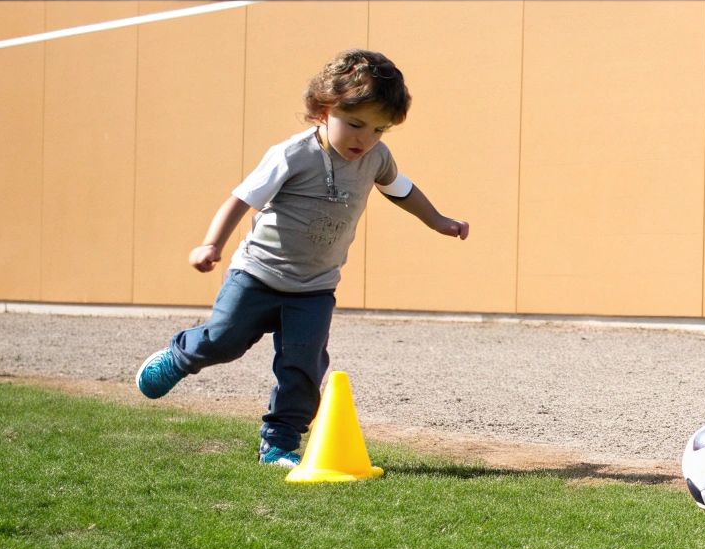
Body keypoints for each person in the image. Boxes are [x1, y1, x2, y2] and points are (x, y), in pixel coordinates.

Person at [135, 49, 470, 468]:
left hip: (314, 288)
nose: (363, 139)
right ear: (323, 110)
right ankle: (182, 355)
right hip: (256, 276)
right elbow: (241, 200)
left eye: (378, 129)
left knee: (303, 369)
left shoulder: (376, 158)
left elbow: (401, 189)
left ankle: (280, 443)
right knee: (224, 341)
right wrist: (211, 244)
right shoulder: (292, 155)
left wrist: (438, 220)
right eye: (355, 124)